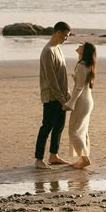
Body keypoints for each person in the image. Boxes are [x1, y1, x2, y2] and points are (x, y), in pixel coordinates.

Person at [34, 21, 71, 169]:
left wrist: (67, 92)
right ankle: (38, 159)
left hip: (61, 96)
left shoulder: (59, 49)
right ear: (57, 32)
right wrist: (61, 99)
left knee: (59, 127)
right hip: (51, 96)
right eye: (65, 35)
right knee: (47, 126)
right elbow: (51, 79)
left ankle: (53, 156)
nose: (66, 39)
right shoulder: (48, 51)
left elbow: (62, 75)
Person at [65, 41, 96, 169]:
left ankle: (85, 159)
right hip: (87, 99)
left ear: (85, 51)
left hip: (82, 101)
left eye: (81, 46)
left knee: (73, 131)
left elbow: (78, 88)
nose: (78, 46)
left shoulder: (82, 66)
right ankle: (82, 158)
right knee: (82, 130)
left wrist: (70, 103)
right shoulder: (87, 65)